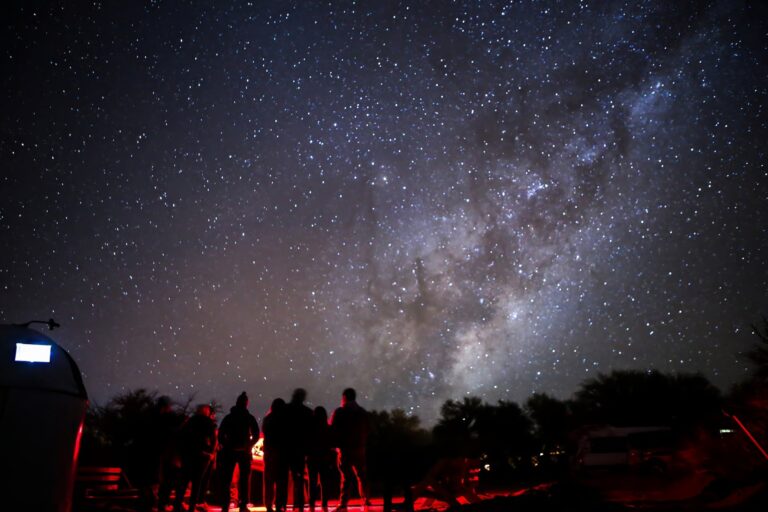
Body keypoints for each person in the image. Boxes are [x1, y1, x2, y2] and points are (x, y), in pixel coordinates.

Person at [217, 392, 260, 512]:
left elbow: (221, 434)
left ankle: (225, 505)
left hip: (229, 452)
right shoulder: (249, 417)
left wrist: (226, 446)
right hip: (244, 452)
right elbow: (256, 433)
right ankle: (243, 504)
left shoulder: (229, 417)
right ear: (246, 403)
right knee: (244, 479)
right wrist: (249, 445)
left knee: (227, 479)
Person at [330, 388, 370, 512]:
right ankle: (366, 498)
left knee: (346, 477)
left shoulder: (340, 412)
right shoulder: (362, 412)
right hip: (359, 448)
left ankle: (343, 503)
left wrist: (333, 444)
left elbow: (333, 429)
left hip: (345, 449)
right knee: (362, 475)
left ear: (344, 397)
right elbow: (368, 428)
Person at [174, 404, 217, 512]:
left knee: (183, 482)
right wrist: (210, 453)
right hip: (202, 457)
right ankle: (192, 507)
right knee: (197, 483)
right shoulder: (208, 423)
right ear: (207, 412)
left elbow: (181, 436)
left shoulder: (190, 422)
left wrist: (182, 452)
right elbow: (213, 439)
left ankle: (177, 505)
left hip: (188, 455)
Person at [286, 388, 313, 511]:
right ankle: (299, 505)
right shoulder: (307, 412)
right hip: (301, 450)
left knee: (284, 479)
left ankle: (282, 504)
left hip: (287, 448)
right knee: (299, 478)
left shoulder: (285, 410)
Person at [307, 406, 337, 512]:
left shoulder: (310, 429)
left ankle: (312, 502)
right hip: (325, 457)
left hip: (312, 457)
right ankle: (324, 502)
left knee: (312, 481)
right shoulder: (327, 428)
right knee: (324, 481)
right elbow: (332, 442)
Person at [263, 398, 289, 512]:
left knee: (269, 481)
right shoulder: (286, 419)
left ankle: (268, 504)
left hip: (269, 453)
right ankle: (280, 505)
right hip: (283, 453)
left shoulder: (267, 419)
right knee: (282, 481)